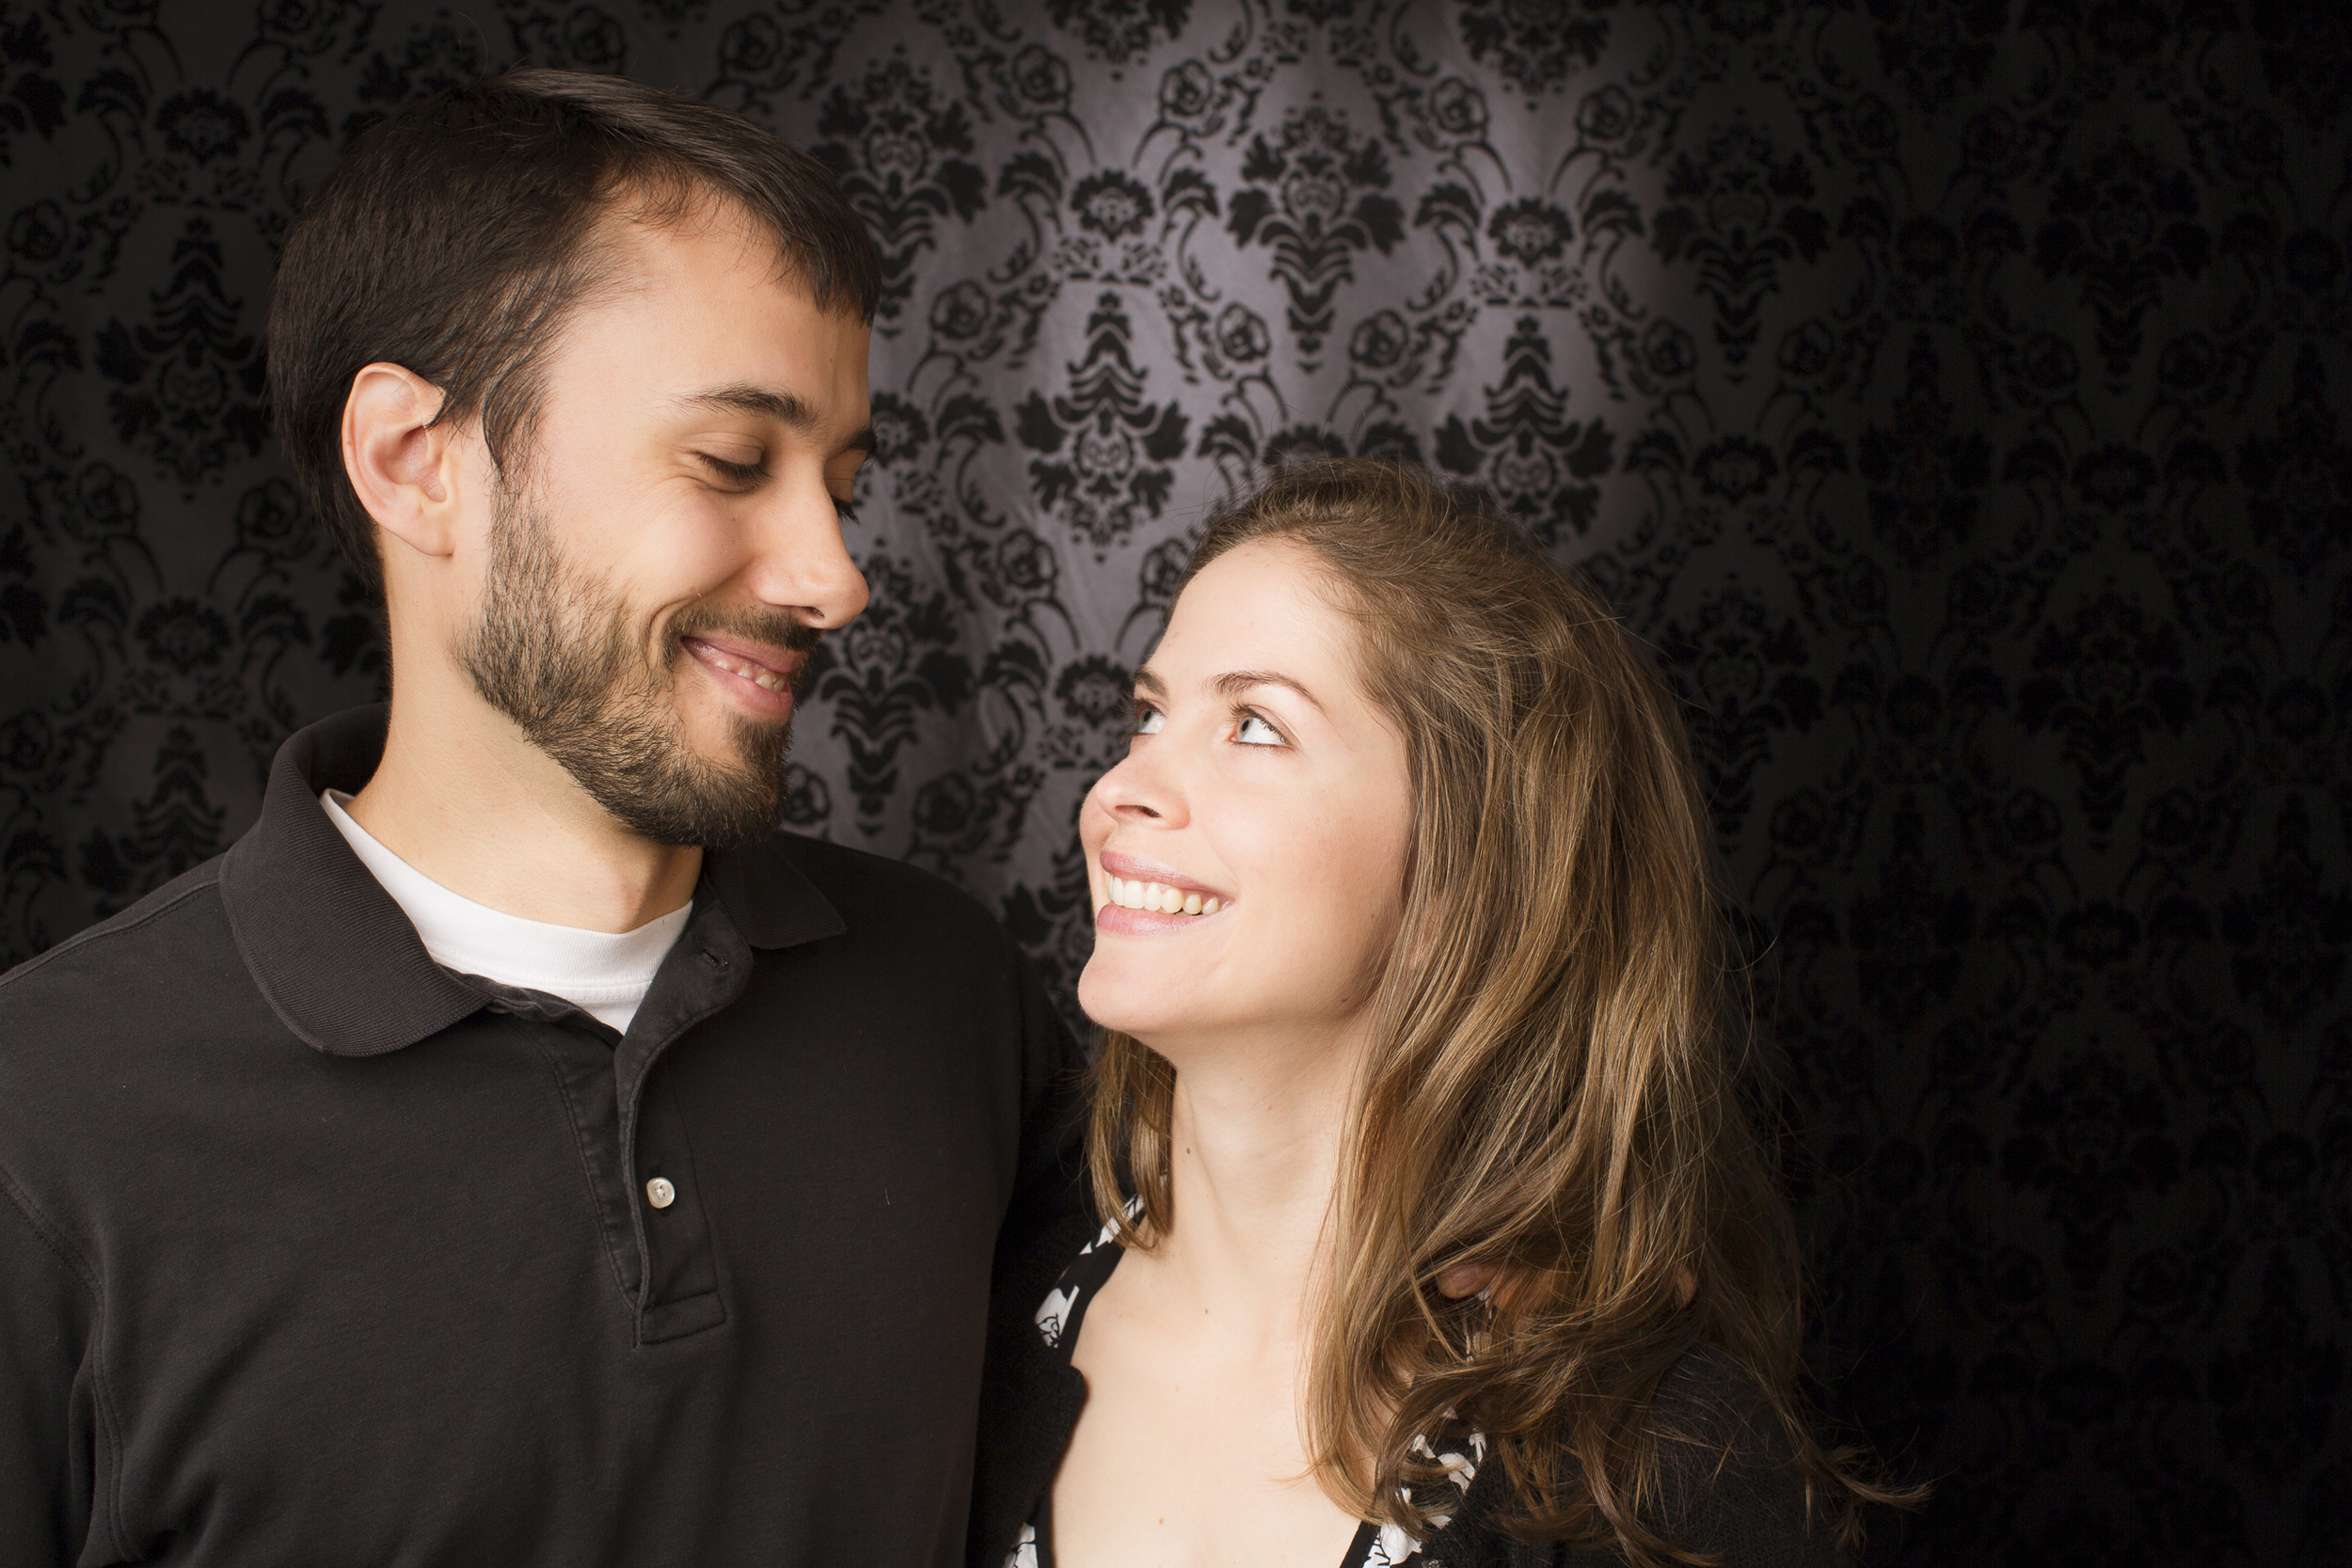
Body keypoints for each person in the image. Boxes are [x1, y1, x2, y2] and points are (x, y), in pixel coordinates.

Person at [0, 71, 1081, 1566]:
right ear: (413, 460)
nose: (837, 577)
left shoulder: (959, 1004)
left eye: (841, 481)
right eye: (730, 462)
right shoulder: (41, 1125)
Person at [972, 461, 1899, 1567]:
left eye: (1254, 725)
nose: (1123, 788)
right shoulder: (975, 1270)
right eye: (1148, 714)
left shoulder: (1655, 1468)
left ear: (1470, 861)